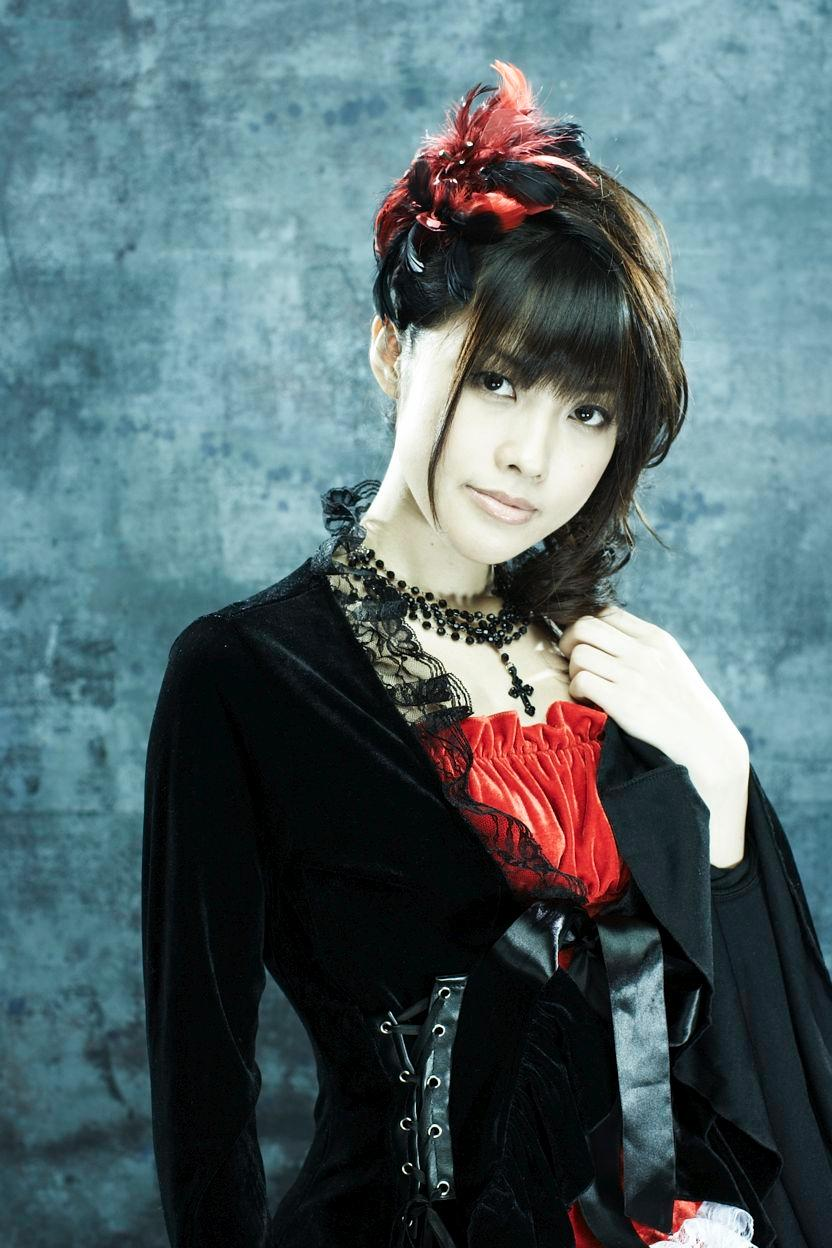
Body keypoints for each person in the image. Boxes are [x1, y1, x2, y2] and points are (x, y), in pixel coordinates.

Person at [141, 62, 832, 1248]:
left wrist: (722, 789)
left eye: (587, 412)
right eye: (498, 381)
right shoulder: (245, 676)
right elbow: (204, 1113)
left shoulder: (618, 669)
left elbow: (726, 1058)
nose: (532, 459)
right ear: (390, 350)